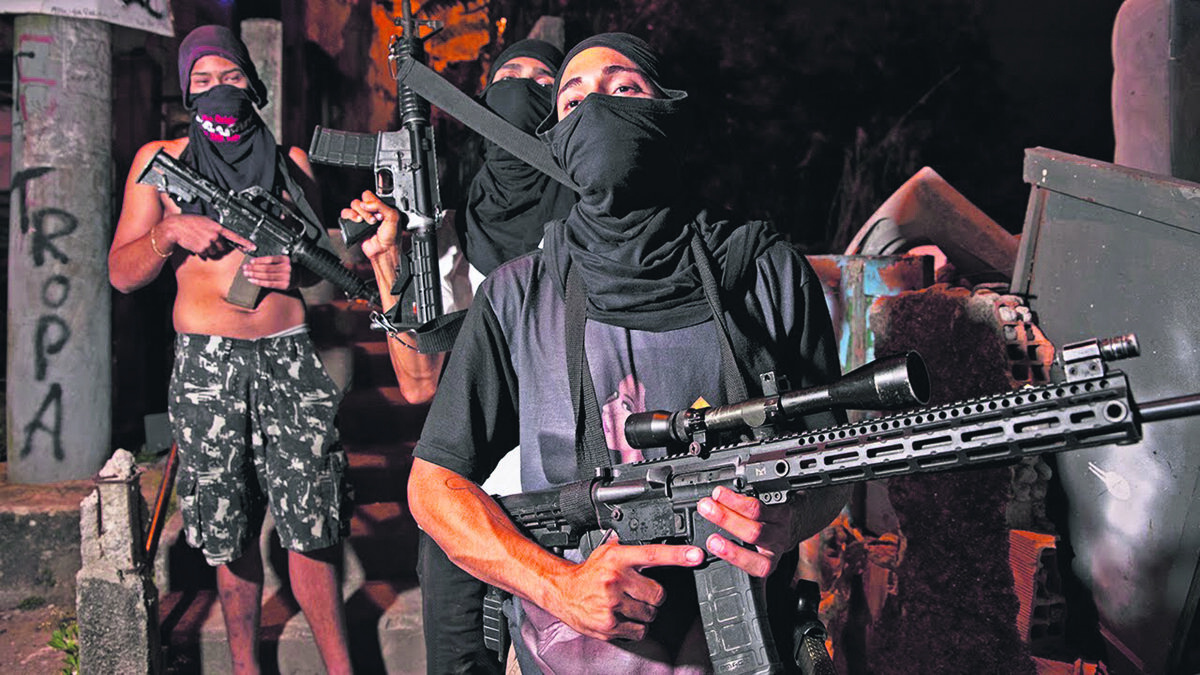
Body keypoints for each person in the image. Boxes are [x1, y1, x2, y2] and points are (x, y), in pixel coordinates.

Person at [405, 33, 849, 673]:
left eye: (623, 88)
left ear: (668, 114)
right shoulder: (517, 295)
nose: (596, 108)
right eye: (572, 101)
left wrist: (787, 518)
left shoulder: (766, 271)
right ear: (557, 141)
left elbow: (831, 461)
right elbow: (433, 487)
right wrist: (558, 586)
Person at [108, 25, 353, 675]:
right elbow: (122, 272)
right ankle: (245, 667)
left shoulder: (290, 163)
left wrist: (297, 272)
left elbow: (327, 273)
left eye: (232, 76)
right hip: (208, 363)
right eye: (203, 79)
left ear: (254, 84)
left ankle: (340, 667)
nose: (219, 88)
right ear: (187, 93)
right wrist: (168, 232)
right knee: (226, 527)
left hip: (289, 357)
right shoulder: (161, 161)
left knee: (314, 522)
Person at [343, 37, 579, 674]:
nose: (521, 87)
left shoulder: (594, 228)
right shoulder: (444, 235)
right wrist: (387, 261)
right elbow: (419, 383)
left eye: (543, 80)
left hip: (571, 503)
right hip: (466, 505)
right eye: (507, 76)